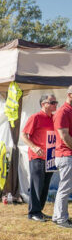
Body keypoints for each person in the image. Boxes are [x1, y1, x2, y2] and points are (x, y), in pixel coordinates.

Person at [22, 94, 58, 221]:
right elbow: (24, 135)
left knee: (45, 185)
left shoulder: (54, 118)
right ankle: (33, 213)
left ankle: (39, 211)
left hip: (50, 156)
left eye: (56, 102)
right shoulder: (35, 117)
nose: (55, 104)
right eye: (52, 102)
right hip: (37, 156)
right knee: (37, 184)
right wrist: (34, 147)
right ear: (44, 104)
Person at [52, 85, 72, 228]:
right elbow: (64, 136)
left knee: (65, 187)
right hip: (66, 155)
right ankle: (61, 219)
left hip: (67, 155)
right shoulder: (63, 112)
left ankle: (57, 216)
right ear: (70, 95)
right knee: (65, 188)